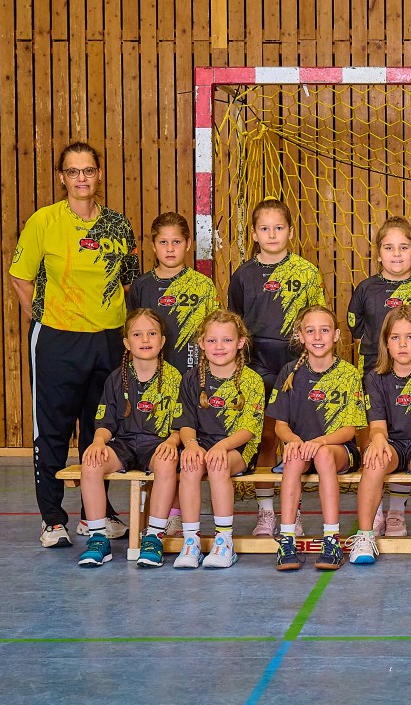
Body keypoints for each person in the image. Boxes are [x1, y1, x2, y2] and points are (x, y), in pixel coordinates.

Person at [10, 140, 140, 548]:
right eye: (72, 171)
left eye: (88, 170)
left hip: (108, 340)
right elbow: (20, 277)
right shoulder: (44, 221)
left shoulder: (118, 225)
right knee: (53, 430)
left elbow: (128, 282)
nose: (81, 178)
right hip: (57, 339)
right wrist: (46, 319)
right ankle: (52, 519)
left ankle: (93, 514)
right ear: (62, 177)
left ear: (99, 174)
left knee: (101, 428)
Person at [227, 198, 326, 537]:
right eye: (265, 228)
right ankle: (266, 512)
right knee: (266, 437)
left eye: (279, 228)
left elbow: (317, 320)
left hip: (295, 363)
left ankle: (292, 513)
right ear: (254, 234)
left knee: (297, 439)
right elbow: (235, 325)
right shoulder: (243, 275)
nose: (272, 234)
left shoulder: (306, 272)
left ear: (291, 232)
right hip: (256, 364)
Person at [347, 216, 411, 538]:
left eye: (403, 247)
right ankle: (374, 514)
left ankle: (397, 511)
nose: (397, 254)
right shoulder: (365, 289)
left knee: (409, 434)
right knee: (374, 440)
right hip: (374, 372)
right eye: (389, 248)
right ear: (378, 254)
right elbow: (357, 332)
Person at [76, 310, 182, 567]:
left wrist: (172, 441)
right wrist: (98, 442)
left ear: (162, 341)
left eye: (152, 333)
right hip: (123, 443)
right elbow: (105, 424)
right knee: (91, 462)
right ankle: (98, 538)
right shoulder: (115, 379)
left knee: (167, 461)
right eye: (137, 334)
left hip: (157, 443)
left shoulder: (175, 378)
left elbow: (182, 425)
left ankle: (154, 537)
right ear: (126, 343)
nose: (145, 339)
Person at [351, 305, 411, 564]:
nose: (403, 344)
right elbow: (377, 426)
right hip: (391, 443)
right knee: (374, 461)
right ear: (386, 342)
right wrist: (378, 440)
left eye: (410, 337)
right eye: (395, 337)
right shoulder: (375, 378)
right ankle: (364, 537)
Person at [269, 306, 365, 572]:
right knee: (293, 457)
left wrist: (320, 441)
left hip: (338, 450)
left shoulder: (348, 374)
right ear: (300, 336)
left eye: (324, 330)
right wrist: (293, 440)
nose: (318, 336)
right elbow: (280, 425)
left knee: (322, 454)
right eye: (310, 331)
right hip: (303, 449)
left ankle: (331, 540)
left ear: (336, 335)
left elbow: (349, 430)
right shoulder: (290, 372)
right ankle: (287, 540)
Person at [171, 310, 265, 569]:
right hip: (202, 443)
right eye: (212, 340)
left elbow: (248, 430)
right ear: (201, 343)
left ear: (240, 342)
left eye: (227, 340)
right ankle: (191, 541)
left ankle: (224, 541)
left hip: (237, 448)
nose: (219, 346)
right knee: (190, 464)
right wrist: (191, 445)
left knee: (217, 464)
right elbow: (185, 423)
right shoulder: (191, 379)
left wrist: (222, 446)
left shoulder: (252, 380)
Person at [126, 211, 220, 376]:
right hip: (154, 377)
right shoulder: (141, 286)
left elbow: (217, 331)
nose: (170, 249)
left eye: (176, 242)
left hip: (195, 375)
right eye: (163, 242)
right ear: (153, 246)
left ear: (188, 244)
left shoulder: (203, 285)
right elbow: (131, 335)